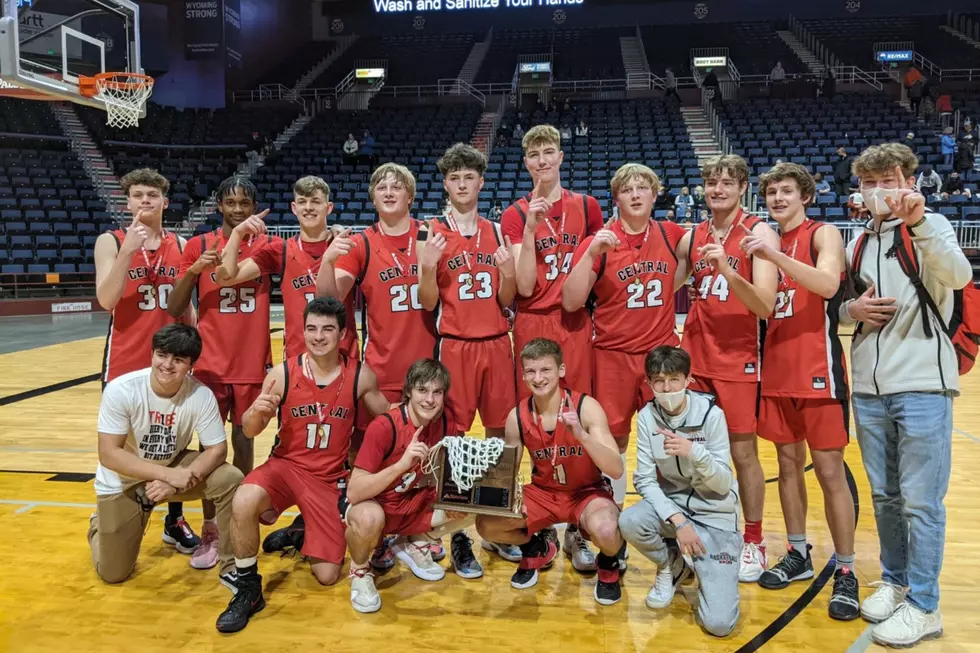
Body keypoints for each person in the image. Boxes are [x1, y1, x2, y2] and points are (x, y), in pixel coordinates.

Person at [840, 143, 970, 648]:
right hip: (870, 389)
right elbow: (845, 307)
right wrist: (853, 312)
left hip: (921, 384)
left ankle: (925, 604)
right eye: (868, 182)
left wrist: (917, 224)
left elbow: (958, 277)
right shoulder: (859, 241)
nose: (876, 191)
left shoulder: (930, 226)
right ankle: (895, 582)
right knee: (886, 498)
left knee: (921, 502)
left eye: (885, 180)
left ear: (908, 180)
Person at [214, 298, 391, 633]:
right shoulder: (282, 374)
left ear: (342, 334)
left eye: (327, 329)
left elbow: (390, 419)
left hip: (329, 479)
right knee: (244, 499)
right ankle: (249, 587)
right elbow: (250, 429)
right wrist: (256, 413)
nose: (318, 336)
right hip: (285, 467)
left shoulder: (359, 375)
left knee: (326, 576)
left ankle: (300, 531)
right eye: (311, 328)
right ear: (302, 331)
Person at [740, 163, 859, 620]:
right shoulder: (767, 239)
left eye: (786, 190)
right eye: (771, 192)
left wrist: (775, 258)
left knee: (830, 473)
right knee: (788, 468)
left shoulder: (822, 233)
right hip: (777, 373)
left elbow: (828, 284)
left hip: (819, 372)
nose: (777, 198)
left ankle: (845, 572)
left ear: (804, 195)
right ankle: (797, 553)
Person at [216, 175, 359, 554]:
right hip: (297, 369)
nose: (309, 207)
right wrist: (235, 236)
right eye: (302, 201)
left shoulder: (347, 244)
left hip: (344, 364)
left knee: (346, 450)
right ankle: (300, 518)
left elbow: (334, 296)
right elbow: (226, 277)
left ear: (329, 207)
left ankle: (333, 521)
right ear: (293, 209)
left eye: (317, 201)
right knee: (298, 449)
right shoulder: (279, 250)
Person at [316, 163, 439, 566]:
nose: (389, 192)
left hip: (429, 371)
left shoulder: (429, 234)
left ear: (410, 196)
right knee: (377, 457)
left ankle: (412, 529)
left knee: (424, 459)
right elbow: (330, 302)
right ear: (372, 197)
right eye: (381, 187)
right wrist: (326, 262)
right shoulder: (362, 244)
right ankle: (374, 530)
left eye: (397, 187)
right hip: (383, 370)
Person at [499, 124, 605, 568]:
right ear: (526, 163)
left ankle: (580, 528)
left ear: (561, 156)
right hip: (532, 322)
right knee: (535, 424)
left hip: (574, 322)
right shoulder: (513, 213)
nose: (542, 161)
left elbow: (596, 267)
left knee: (574, 420)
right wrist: (530, 229)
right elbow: (522, 287)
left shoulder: (587, 206)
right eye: (534, 155)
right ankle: (538, 519)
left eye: (548, 152)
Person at [673, 154, 779, 582]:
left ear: (741, 188)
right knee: (689, 452)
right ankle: (695, 532)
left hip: (739, 358)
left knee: (742, 453)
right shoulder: (692, 235)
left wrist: (727, 272)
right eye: (712, 183)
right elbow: (669, 284)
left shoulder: (758, 233)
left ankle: (752, 540)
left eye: (727, 183)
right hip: (696, 358)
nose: (717, 189)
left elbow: (765, 304)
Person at [417, 144, 522, 573]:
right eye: (454, 178)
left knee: (499, 438)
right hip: (455, 345)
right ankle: (458, 536)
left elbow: (507, 298)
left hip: (497, 343)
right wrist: (427, 267)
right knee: (455, 440)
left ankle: (495, 530)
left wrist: (509, 272)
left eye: (469, 177)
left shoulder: (497, 232)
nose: (462, 184)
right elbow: (427, 302)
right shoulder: (432, 232)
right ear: (446, 183)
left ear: (481, 182)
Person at [563, 164, 685, 508]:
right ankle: (612, 514)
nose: (635, 195)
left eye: (642, 188)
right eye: (627, 189)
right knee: (613, 439)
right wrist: (589, 254)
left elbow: (691, 263)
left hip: (660, 357)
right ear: (615, 197)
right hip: (612, 356)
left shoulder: (671, 234)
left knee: (666, 440)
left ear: (654, 194)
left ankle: (666, 516)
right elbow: (571, 301)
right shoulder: (599, 241)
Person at [94, 167, 201, 556]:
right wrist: (127, 251)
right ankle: (114, 508)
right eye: (138, 195)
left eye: (152, 196)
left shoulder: (181, 242)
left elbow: (188, 307)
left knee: (173, 440)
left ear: (164, 202)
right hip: (125, 361)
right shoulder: (110, 241)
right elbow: (106, 300)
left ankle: (174, 520)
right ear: (128, 202)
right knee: (125, 444)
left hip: (171, 363)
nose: (144, 201)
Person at [167, 177, 273, 569]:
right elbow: (175, 305)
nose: (239, 209)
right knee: (211, 448)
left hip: (251, 361)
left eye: (245, 202)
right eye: (231, 202)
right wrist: (193, 271)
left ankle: (238, 514)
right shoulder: (197, 244)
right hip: (210, 363)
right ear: (218, 206)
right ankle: (211, 525)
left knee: (244, 442)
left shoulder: (266, 244)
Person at [88, 324, 243, 587]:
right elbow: (109, 455)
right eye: (162, 355)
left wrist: (173, 481)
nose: (167, 365)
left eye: (179, 360)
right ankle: (97, 526)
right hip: (124, 480)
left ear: (191, 364)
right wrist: (169, 476)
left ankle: (231, 565)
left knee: (231, 478)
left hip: (172, 469)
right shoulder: (122, 389)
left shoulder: (200, 395)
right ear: (152, 354)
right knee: (113, 573)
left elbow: (217, 449)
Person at [475, 339, 625, 606]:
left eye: (545, 370)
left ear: (561, 370)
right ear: (522, 375)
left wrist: (581, 435)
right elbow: (505, 474)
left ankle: (608, 562)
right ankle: (536, 548)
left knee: (606, 531)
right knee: (486, 524)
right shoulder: (516, 417)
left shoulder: (585, 407)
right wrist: (475, 487)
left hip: (587, 493)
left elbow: (615, 468)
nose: (538, 378)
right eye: (531, 371)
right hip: (543, 493)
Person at [618, 346, 741, 637]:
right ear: (649, 384)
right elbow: (645, 480)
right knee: (629, 522)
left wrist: (694, 451)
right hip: (676, 506)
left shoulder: (712, 415)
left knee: (719, 625)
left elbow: (724, 483)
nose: (667, 387)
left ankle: (706, 565)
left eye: (674, 379)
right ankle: (671, 564)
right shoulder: (647, 417)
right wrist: (679, 521)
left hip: (715, 513)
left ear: (689, 380)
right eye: (658, 381)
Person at [344, 359, 471, 613]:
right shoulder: (385, 426)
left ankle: (412, 543)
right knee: (368, 517)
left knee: (474, 506)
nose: (429, 400)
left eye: (437, 392)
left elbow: (456, 472)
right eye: (422, 390)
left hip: (414, 508)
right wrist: (401, 465)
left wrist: (458, 499)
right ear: (409, 391)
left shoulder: (446, 423)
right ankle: (359, 572)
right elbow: (354, 492)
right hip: (380, 510)